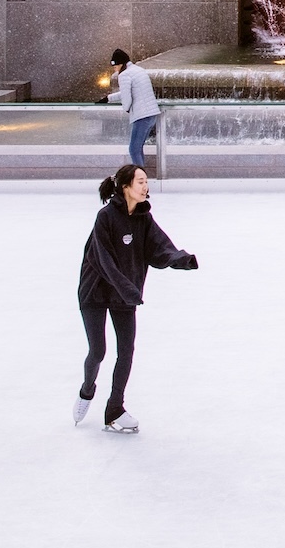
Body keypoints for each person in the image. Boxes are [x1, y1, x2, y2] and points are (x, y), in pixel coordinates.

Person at [75, 162, 199, 432]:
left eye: (146, 181)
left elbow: (160, 247)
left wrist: (181, 259)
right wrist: (129, 289)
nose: (145, 186)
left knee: (126, 351)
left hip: (125, 293)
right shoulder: (105, 217)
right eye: (140, 181)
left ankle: (115, 409)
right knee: (98, 351)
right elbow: (103, 261)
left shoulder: (143, 218)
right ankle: (87, 390)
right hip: (95, 290)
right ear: (125, 186)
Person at [104, 49, 161, 167]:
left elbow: (127, 99)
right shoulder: (138, 70)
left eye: (115, 66)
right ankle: (141, 177)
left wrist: (126, 108)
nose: (114, 69)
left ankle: (139, 179)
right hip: (151, 114)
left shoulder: (124, 75)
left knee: (134, 150)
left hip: (141, 116)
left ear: (121, 64)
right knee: (138, 148)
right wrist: (108, 98)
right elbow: (128, 92)